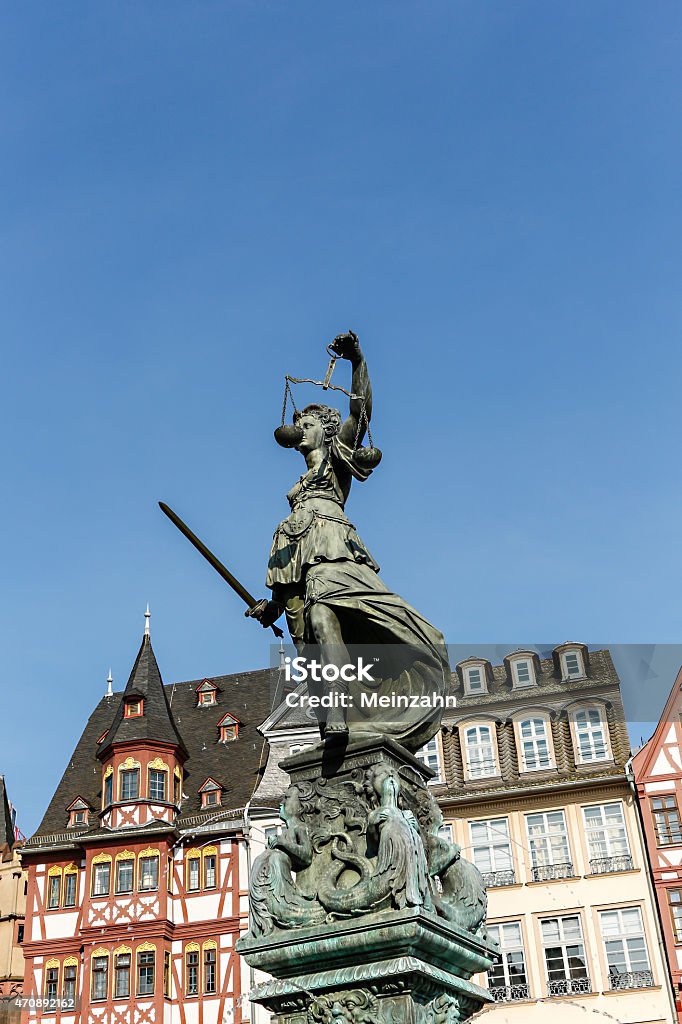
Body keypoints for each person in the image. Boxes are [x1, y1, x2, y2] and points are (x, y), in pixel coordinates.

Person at [247, 331, 449, 749]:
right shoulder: (297, 492)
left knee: (325, 618)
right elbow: (292, 571)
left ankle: (339, 711)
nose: (299, 431)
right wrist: (273, 605)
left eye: (307, 425)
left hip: (338, 557)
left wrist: (357, 361)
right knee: (317, 627)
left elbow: (363, 412)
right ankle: (336, 717)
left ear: (326, 430)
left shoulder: (337, 463)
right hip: (309, 571)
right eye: (298, 425)